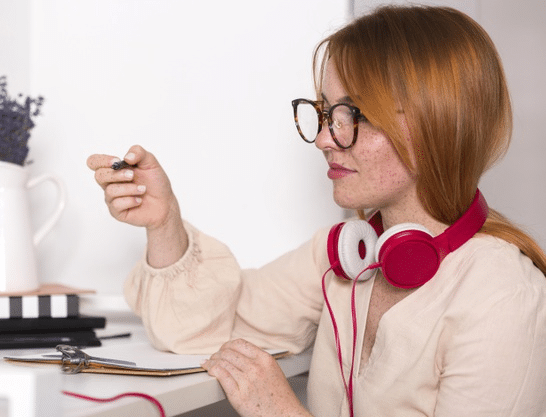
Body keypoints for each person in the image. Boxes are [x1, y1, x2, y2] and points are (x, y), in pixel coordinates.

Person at [87, 5, 546, 417]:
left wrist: (280, 413)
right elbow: (204, 332)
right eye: (326, 113)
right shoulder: (346, 258)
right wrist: (164, 224)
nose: (326, 138)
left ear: (435, 121)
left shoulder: (502, 294)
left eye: (354, 115)